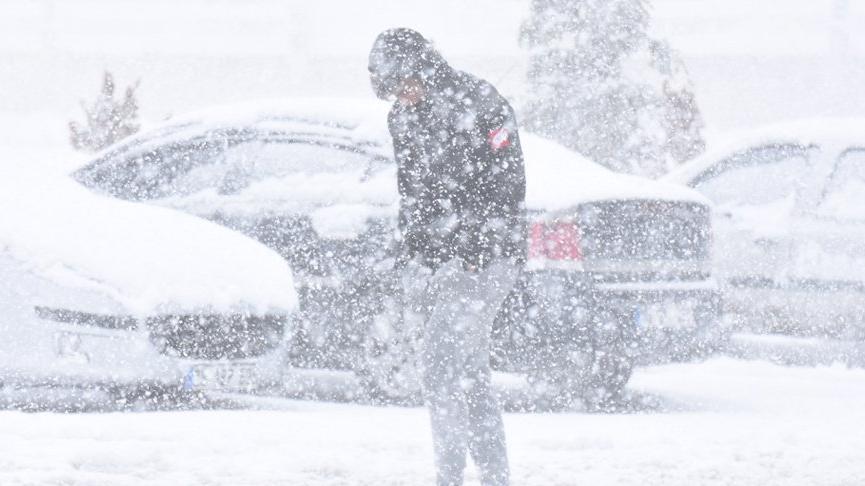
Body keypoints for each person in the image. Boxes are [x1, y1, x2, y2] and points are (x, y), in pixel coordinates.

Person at [368, 28, 527, 486]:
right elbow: (413, 191)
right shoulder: (402, 117)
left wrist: (478, 239)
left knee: (440, 363)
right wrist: (415, 246)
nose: (405, 95)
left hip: (489, 257)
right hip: (440, 263)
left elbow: (509, 179)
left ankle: (449, 478)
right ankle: (494, 477)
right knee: (469, 373)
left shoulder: (480, 101)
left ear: (423, 66)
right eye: (394, 90)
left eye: (407, 83)